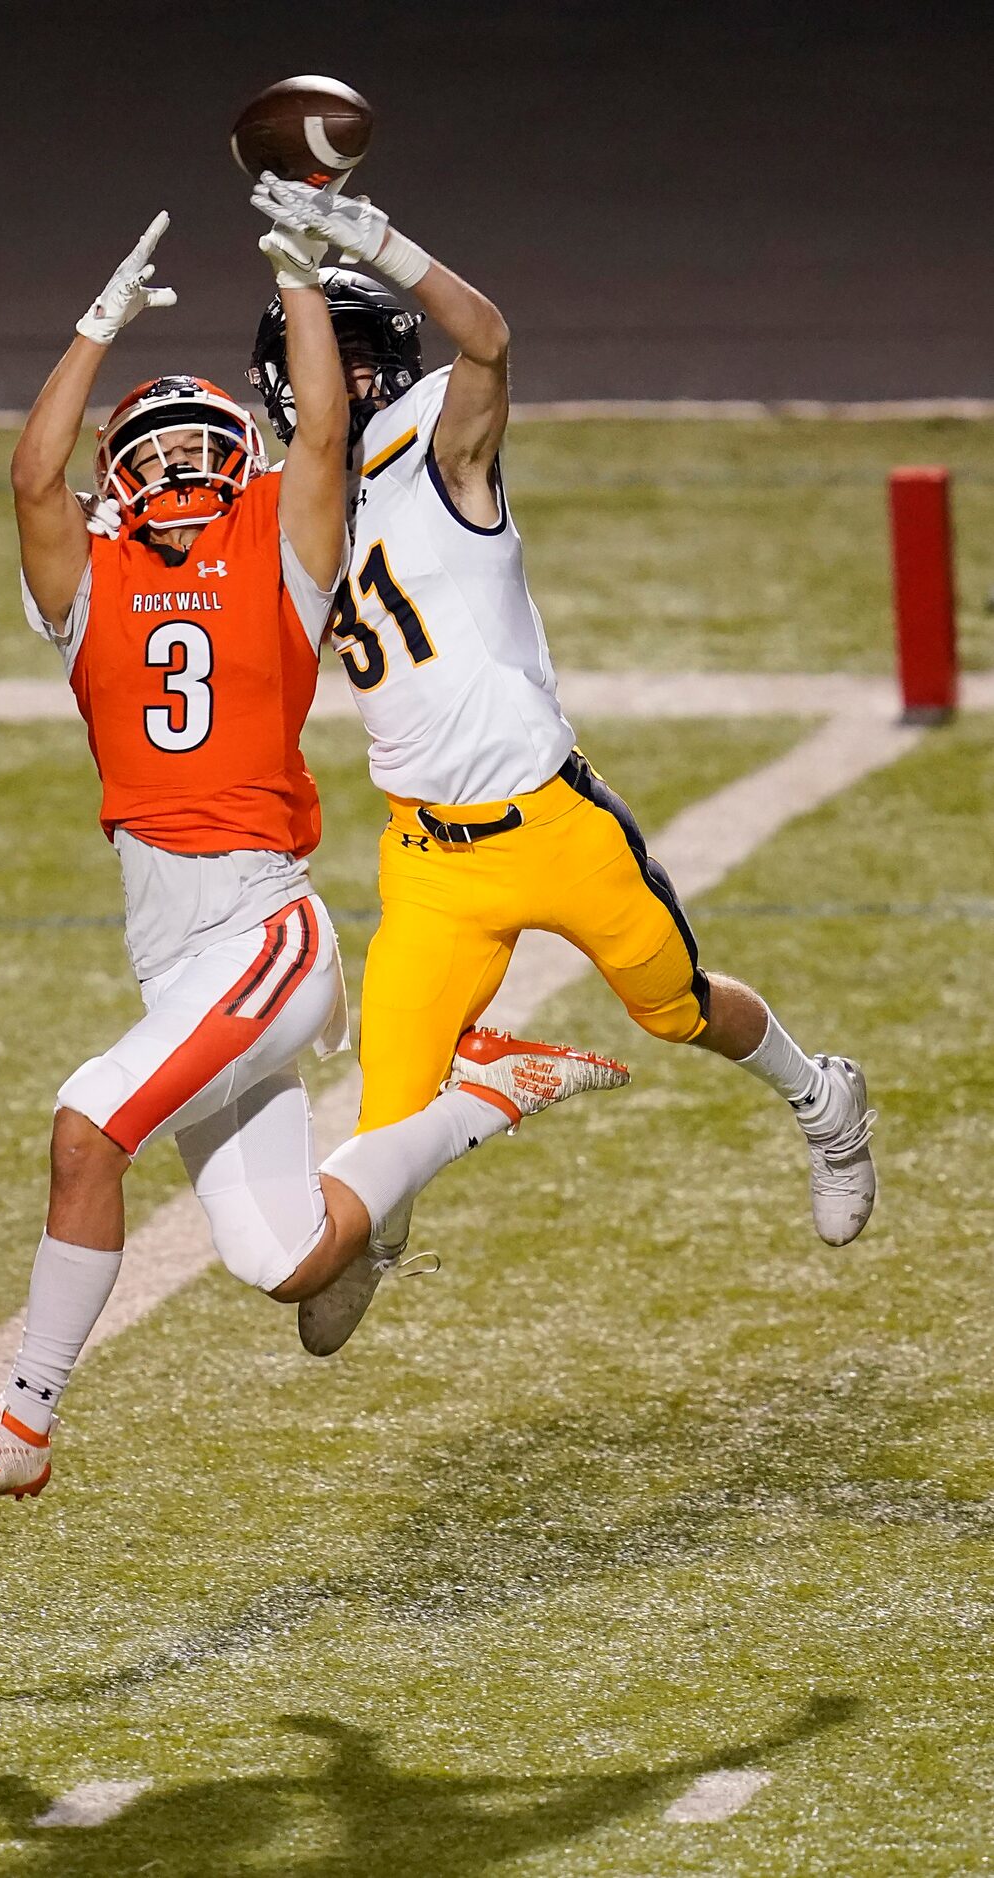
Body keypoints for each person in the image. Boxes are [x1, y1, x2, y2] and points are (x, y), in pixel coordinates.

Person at [0, 213, 629, 1502]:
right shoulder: (87, 582)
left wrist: (297, 277)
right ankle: (487, 1094)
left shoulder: (280, 558)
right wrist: (93, 330)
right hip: (176, 957)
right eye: (150, 449)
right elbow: (27, 477)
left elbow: (323, 440)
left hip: (263, 934)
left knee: (88, 1126)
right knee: (284, 1258)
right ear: (113, 479)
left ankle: (21, 1426)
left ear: (237, 457)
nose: (179, 461)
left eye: (199, 443)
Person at [245, 173, 878, 1352]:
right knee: (391, 1103)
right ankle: (375, 1240)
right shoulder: (291, 504)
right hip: (426, 855)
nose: (357, 379)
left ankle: (821, 1096)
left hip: (551, 821)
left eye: (363, 355)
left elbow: (486, 337)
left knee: (678, 1011)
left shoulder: (444, 448)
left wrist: (375, 241)